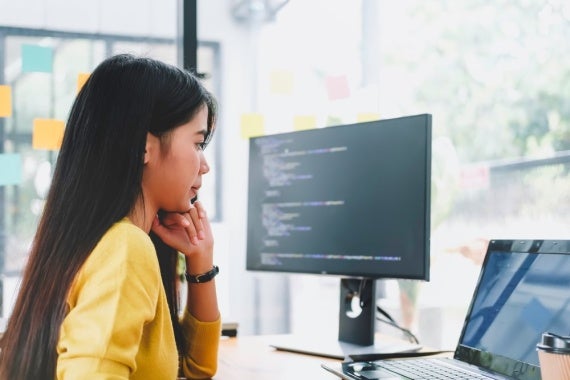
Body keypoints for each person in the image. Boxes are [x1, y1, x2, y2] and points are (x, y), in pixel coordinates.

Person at [0, 54, 221, 379]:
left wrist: (200, 261)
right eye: (198, 143)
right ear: (144, 147)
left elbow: (193, 369)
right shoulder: (126, 248)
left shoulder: (102, 240)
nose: (204, 165)